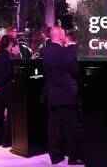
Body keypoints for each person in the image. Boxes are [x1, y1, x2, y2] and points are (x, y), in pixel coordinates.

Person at [43, 26, 83, 165]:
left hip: (52, 95)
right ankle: (73, 157)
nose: (65, 37)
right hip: (67, 96)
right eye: (64, 34)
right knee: (70, 127)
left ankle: (55, 156)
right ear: (60, 37)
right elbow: (76, 71)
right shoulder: (63, 52)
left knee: (53, 126)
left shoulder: (47, 52)